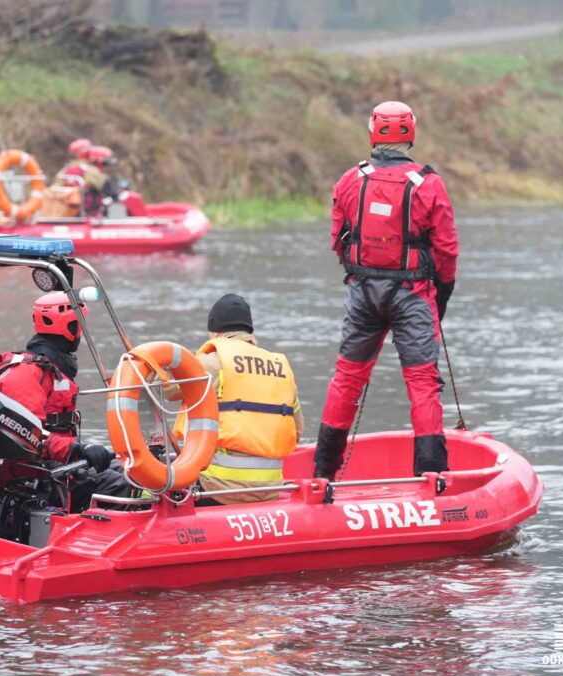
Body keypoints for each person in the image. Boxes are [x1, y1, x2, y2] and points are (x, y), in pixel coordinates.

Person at [314, 101, 458, 481]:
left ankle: (322, 472)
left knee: (347, 378)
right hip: (413, 295)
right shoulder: (429, 184)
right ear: (411, 134)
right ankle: (431, 474)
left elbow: (337, 240)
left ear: (373, 133)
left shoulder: (350, 180)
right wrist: (442, 294)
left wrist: (363, 275)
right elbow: (446, 250)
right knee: (422, 382)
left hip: (362, 294)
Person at [0, 291, 131, 511]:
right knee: (124, 486)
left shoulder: (44, 368)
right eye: (79, 325)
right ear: (70, 327)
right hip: (35, 476)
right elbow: (27, 436)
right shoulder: (25, 375)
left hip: (54, 465)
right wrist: (79, 449)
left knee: (128, 471)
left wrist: (78, 451)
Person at [169, 294, 303, 505]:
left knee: (153, 489)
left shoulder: (213, 362)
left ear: (214, 331)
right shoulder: (282, 367)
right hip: (270, 490)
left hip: (217, 489)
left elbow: (168, 391)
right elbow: (297, 430)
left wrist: (153, 364)